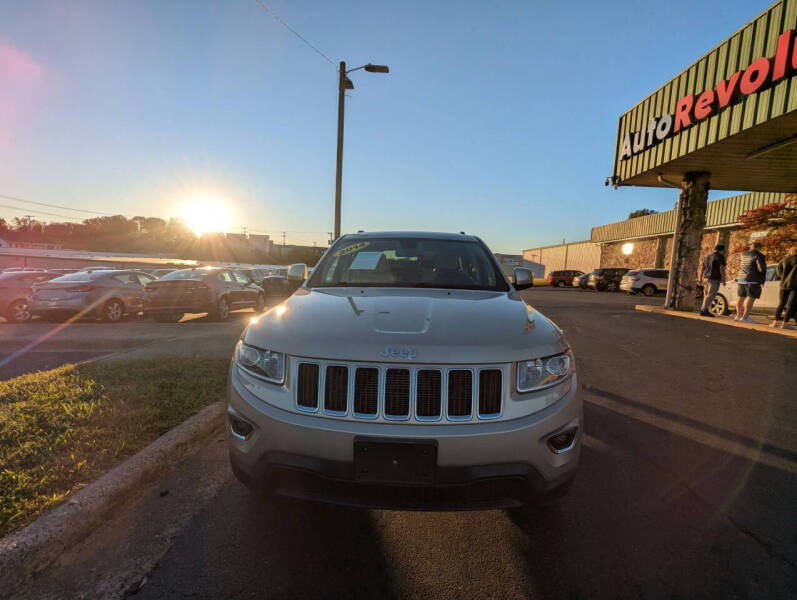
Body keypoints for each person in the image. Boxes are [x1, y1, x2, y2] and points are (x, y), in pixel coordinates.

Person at [734, 241, 766, 323]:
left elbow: (740, 264)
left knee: (740, 298)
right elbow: (761, 268)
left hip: (741, 278)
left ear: (751, 246)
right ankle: (745, 317)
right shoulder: (759, 255)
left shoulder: (743, 254)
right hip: (753, 279)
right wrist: (762, 277)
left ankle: (738, 316)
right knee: (750, 298)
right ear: (759, 248)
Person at [772, 246, 797, 329]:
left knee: (781, 303)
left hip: (783, 285)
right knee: (791, 305)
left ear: (790, 252)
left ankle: (775, 322)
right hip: (795, 286)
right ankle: (784, 323)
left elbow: (778, 273)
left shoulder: (783, 260)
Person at [699, 244, 726, 317]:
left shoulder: (707, 257)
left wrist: (700, 278)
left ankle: (704, 309)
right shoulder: (720, 257)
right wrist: (723, 279)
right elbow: (721, 268)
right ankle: (704, 310)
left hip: (705, 278)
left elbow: (702, 268)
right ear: (722, 250)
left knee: (706, 295)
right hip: (714, 278)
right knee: (711, 295)